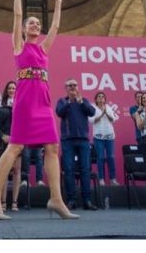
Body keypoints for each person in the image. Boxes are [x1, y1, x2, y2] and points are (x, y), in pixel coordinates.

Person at [0, 0, 78, 221]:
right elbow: (16, 15)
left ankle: (56, 199)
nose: (35, 24)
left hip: (43, 102)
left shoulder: (44, 48)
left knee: (53, 148)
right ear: (25, 29)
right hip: (25, 102)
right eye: (31, 23)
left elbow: (56, 25)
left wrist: (58, 3)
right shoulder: (19, 45)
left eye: (37, 23)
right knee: (15, 147)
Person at [56, 79, 97, 210]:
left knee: (85, 170)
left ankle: (87, 200)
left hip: (84, 140)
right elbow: (59, 112)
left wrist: (79, 102)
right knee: (69, 170)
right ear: (65, 88)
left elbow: (92, 112)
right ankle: (71, 200)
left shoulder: (83, 100)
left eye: (75, 85)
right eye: (70, 85)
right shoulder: (62, 101)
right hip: (68, 140)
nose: (73, 87)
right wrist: (70, 102)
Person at [90, 91, 119, 186]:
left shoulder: (108, 108)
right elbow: (92, 120)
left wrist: (107, 113)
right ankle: (101, 179)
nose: (101, 98)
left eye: (103, 96)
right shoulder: (93, 108)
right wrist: (102, 114)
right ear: (96, 99)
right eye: (99, 96)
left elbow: (113, 120)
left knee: (111, 156)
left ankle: (112, 179)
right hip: (98, 137)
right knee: (100, 157)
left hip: (110, 136)